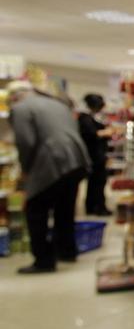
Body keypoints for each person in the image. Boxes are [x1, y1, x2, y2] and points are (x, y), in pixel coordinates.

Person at [8, 81, 90, 274]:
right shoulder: (58, 104)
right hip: (77, 159)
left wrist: (26, 170)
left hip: (53, 161)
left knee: (35, 208)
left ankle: (43, 260)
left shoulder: (21, 108)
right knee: (65, 208)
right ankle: (67, 250)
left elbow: (25, 141)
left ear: (14, 97)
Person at [78, 93, 113, 216]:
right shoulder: (85, 119)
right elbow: (93, 134)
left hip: (96, 156)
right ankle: (98, 207)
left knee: (95, 183)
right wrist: (106, 132)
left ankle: (93, 207)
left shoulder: (88, 118)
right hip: (94, 157)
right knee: (97, 182)